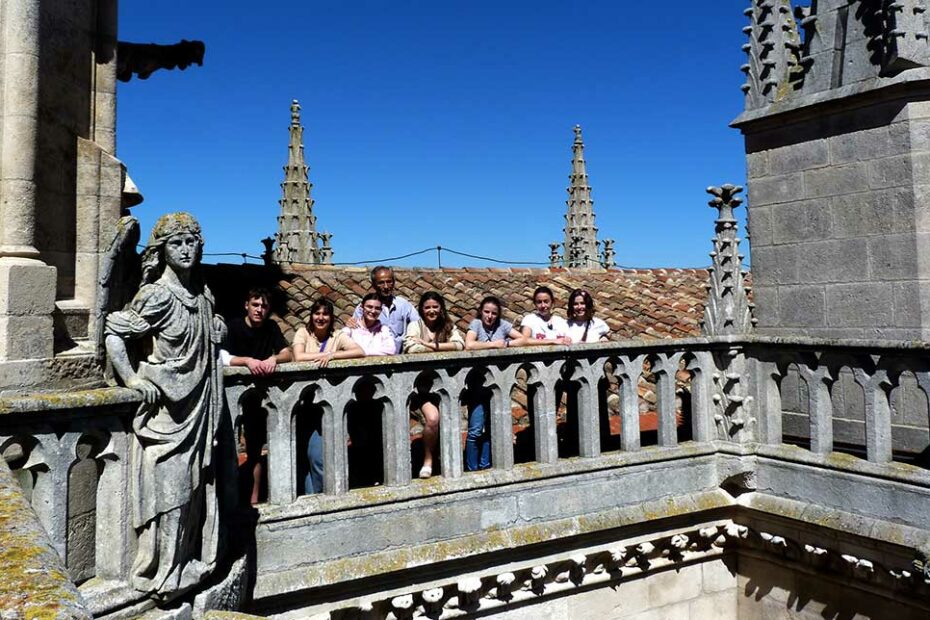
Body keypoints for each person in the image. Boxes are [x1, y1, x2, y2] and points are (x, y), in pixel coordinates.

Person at [104, 212, 226, 595]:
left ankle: (184, 562)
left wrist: (215, 327)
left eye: (191, 242)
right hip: (167, 416)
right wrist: (133, 379)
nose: (186, 250)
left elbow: (207, 334)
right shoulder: (157, 294)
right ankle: (163, 574)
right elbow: (114, 333)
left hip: (198, 407)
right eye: (176, 243)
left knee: (191, 491)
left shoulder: (203, 296)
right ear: (162, 250)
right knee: (171, 494)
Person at [223, 287, 293, 505]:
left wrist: (274, 359)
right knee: (227, 452)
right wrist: (246, 361)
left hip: (259, 400)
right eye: (255, 305)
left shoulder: (271, 327)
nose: (259, 310)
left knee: (255, 452)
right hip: (232, 399)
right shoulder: (233, 327)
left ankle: (253, 500)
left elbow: (287, 353)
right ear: (247, 305)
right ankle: (229, 501)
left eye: (264, 306)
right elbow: (222, 356)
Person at [292, 298, 364, 494]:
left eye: (325, 314)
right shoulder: (303, 332)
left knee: (318, 458)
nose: (320, 318)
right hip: (300, 405)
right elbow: (298, 356)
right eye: (317, 313)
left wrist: (331, 355)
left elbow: (359, 351)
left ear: (331, 318)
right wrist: (322, 357)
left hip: (324, 408)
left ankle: (316, 498)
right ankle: (308, 499)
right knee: (300, 459)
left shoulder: (336, 335)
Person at [403, 291, 465, 478]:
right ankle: (428, 459)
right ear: (422, 309)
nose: (431, 311)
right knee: (433, 419)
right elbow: (411, 348)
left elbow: (460, 345)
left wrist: (430, 346)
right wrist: (441, 346)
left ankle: (446, 460)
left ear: (441, 308)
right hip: (421, 387)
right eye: (427, 307)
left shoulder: (448, 325)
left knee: (450, 422)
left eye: (435, 307)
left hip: (446, 386)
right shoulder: (416, 325)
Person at [463, 296, 525, 471]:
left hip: (497, 386)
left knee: (492, 429)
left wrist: (506, 343)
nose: (490, 316)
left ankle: (485, 465)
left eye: (494, 313)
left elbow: (522, 339)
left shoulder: (503, 325)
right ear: (481, 312)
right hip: (477, 386)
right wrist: (494, 345)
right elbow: (469, 344)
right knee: (475, 430)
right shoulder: (475, 324)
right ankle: (472, 469)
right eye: (486, 312)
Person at [348, 265, 418, 354]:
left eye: (389, 282)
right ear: (373, 285)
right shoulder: (365, 308)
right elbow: (354, 331)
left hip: (401, 359)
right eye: (381, 283)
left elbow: (418, 324)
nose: (386, 286)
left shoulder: (404, 305)